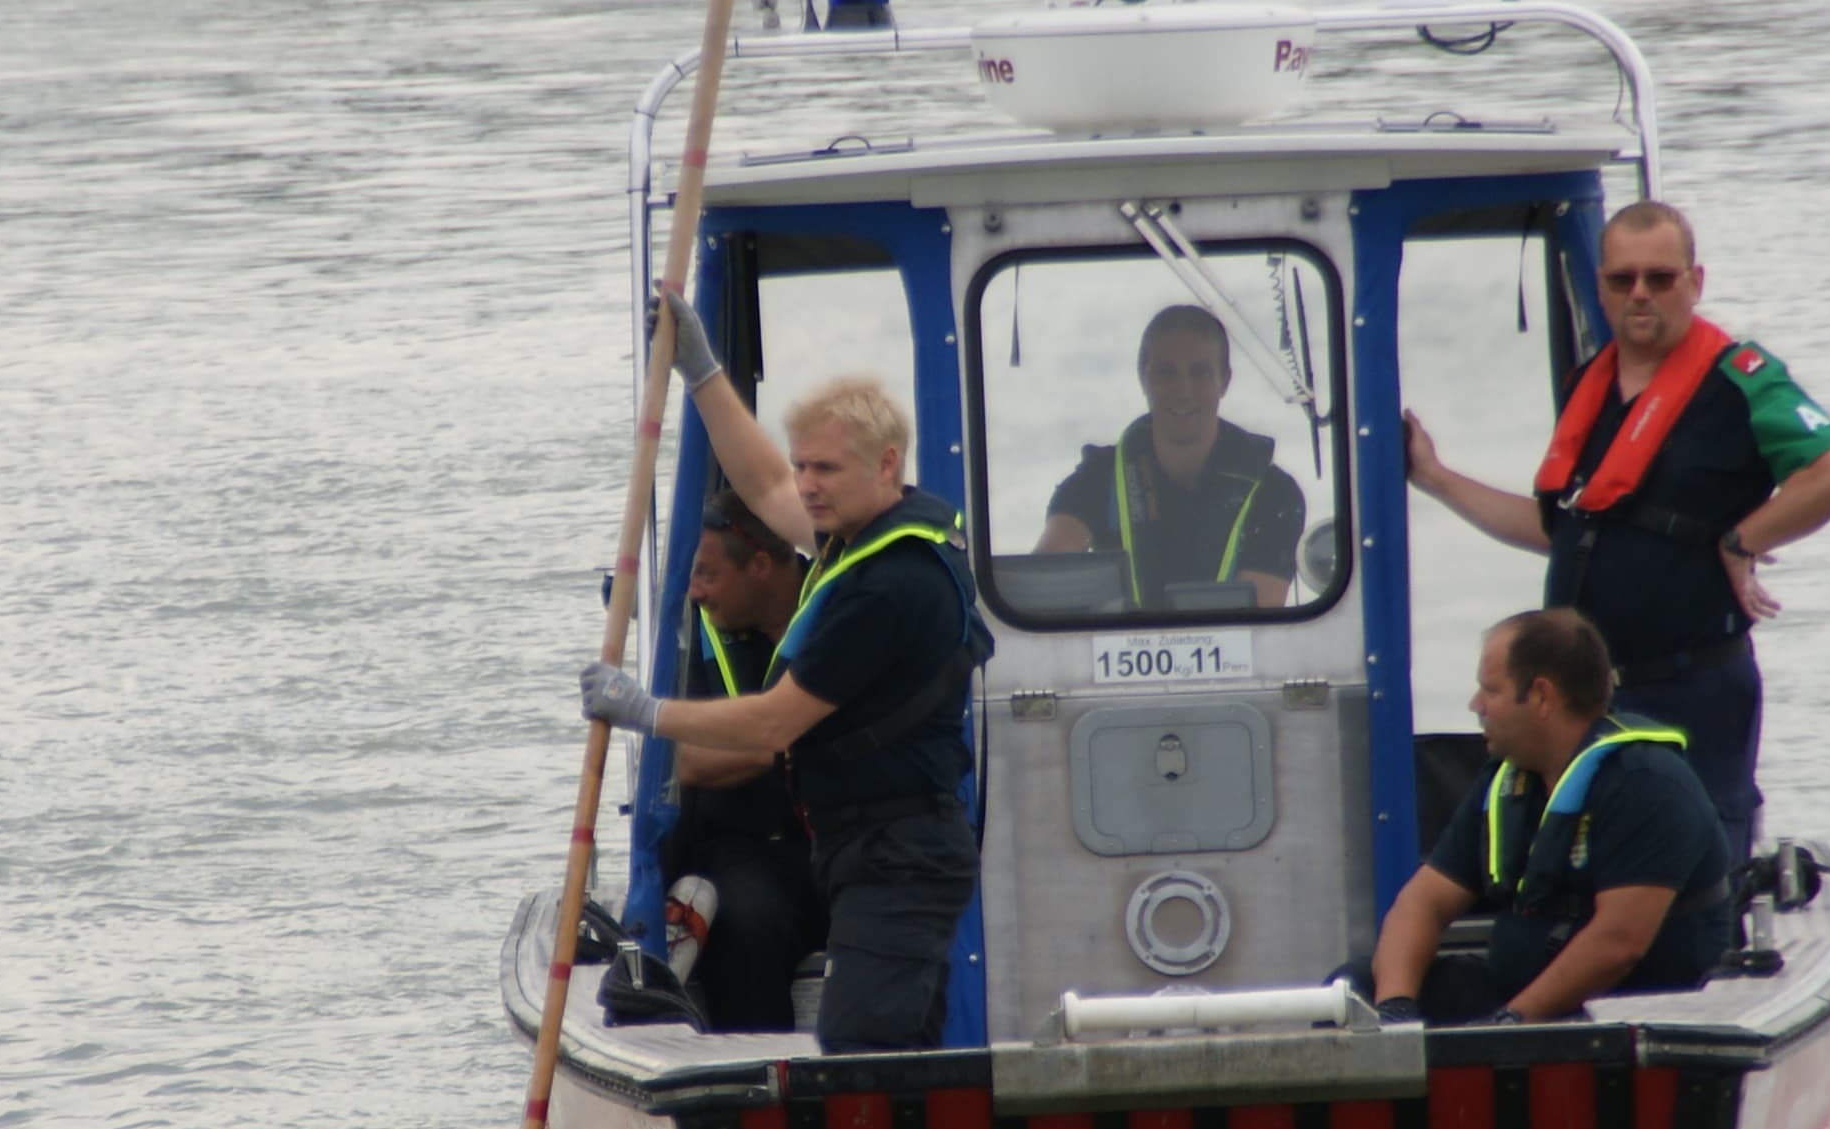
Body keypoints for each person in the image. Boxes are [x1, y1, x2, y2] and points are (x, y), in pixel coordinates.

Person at [1401, 199, 1830, 868]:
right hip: (1588, 697)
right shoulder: (1588, 385)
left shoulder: (1741, 381)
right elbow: (1557, 531)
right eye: (1622, 280)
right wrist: (1437, 477)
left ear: (1694, 282)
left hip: (1689, 687)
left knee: (1693, 863)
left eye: (1660, 277)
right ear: (1601, 287)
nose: (1640, 293)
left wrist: (1742, 540)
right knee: (1584, 866)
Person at [583, 300, 989, 1049]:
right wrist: (701, 369)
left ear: (887, 464)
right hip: (863, 844)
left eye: (825, 468)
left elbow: (774, 723)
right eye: (804, 464)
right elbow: (762, 481)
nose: (805, 485)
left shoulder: (889, 586)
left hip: (899, 854)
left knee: (862, 1052)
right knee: (902, 1052)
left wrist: (645, 711)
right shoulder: (862, 530)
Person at [1366, 608, 1736, 1025]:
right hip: (1514, 1001)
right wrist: (1394, 1011)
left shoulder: (1647, 783)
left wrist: (1510, 1023)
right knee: (1354, 990)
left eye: (1490, 690)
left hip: (1623, 1019)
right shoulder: (1508, 781)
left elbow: (1619, 942)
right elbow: (1423, 902)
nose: (1476, 705)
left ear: (1541, 696)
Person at [634, 489, 823, 1033]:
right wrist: (793, 735)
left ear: (760, 567)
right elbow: (685, 762)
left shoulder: (840, 609)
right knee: (746, 927)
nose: (693, 590)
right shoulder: (688, 634)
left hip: (846, 839)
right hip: (743, 854)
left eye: (707, 574)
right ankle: (759, 1084)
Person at [1035, 303, 1306, 610]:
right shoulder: (1095, 480)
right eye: (1166, 373)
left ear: (1225, 381)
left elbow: (1258, 627)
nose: (1183, 389)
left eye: (1200, 373)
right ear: (1143, 378)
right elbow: (1044, 583)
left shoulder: (1276, 494)